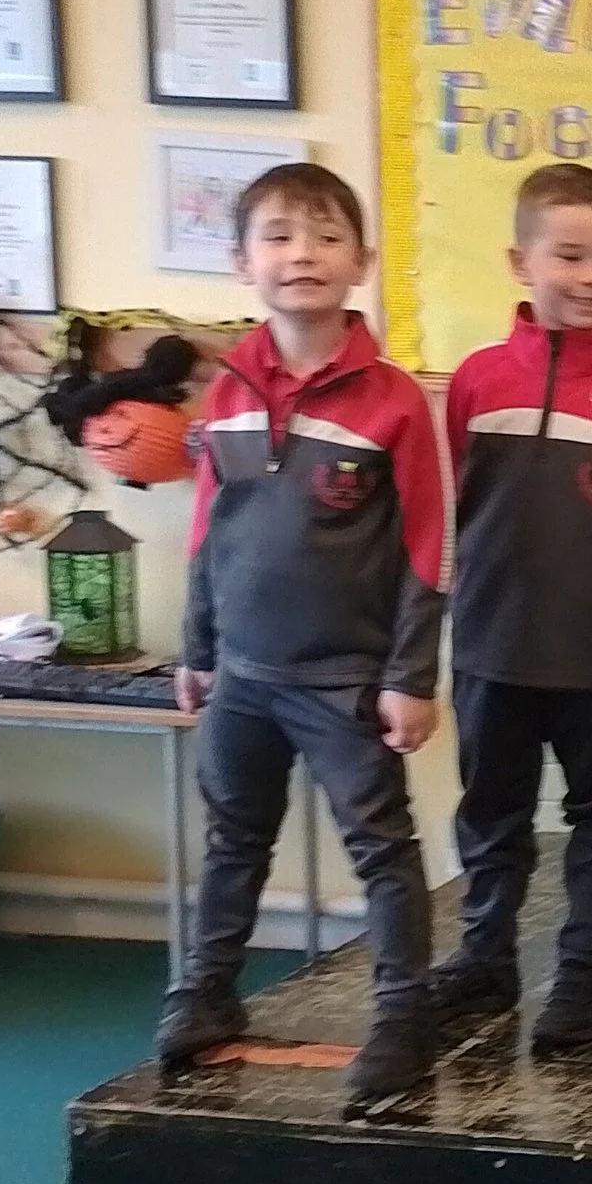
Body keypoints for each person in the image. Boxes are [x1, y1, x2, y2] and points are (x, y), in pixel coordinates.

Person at [155, 163, 447, 1111]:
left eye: (325, 237)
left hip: (344, 680)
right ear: (244, 262)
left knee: (381, 847)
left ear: (360, 261)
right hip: (240, 673)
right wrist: (196, 651)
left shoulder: (395, 401)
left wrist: (410, 673)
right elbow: (207, 532)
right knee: (235, 838)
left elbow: (427, 548)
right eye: (279, 235)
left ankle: (403, 1016)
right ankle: (207, 994)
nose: (303, 254)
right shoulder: (229, 393)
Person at [427, 164, 592, 1056]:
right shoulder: (476, 381)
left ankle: (584, 972)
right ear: (520, 261)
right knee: (490, 810)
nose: (590, 277)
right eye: (569, 255)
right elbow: (447, 514)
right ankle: (486, 956)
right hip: (491, 644)